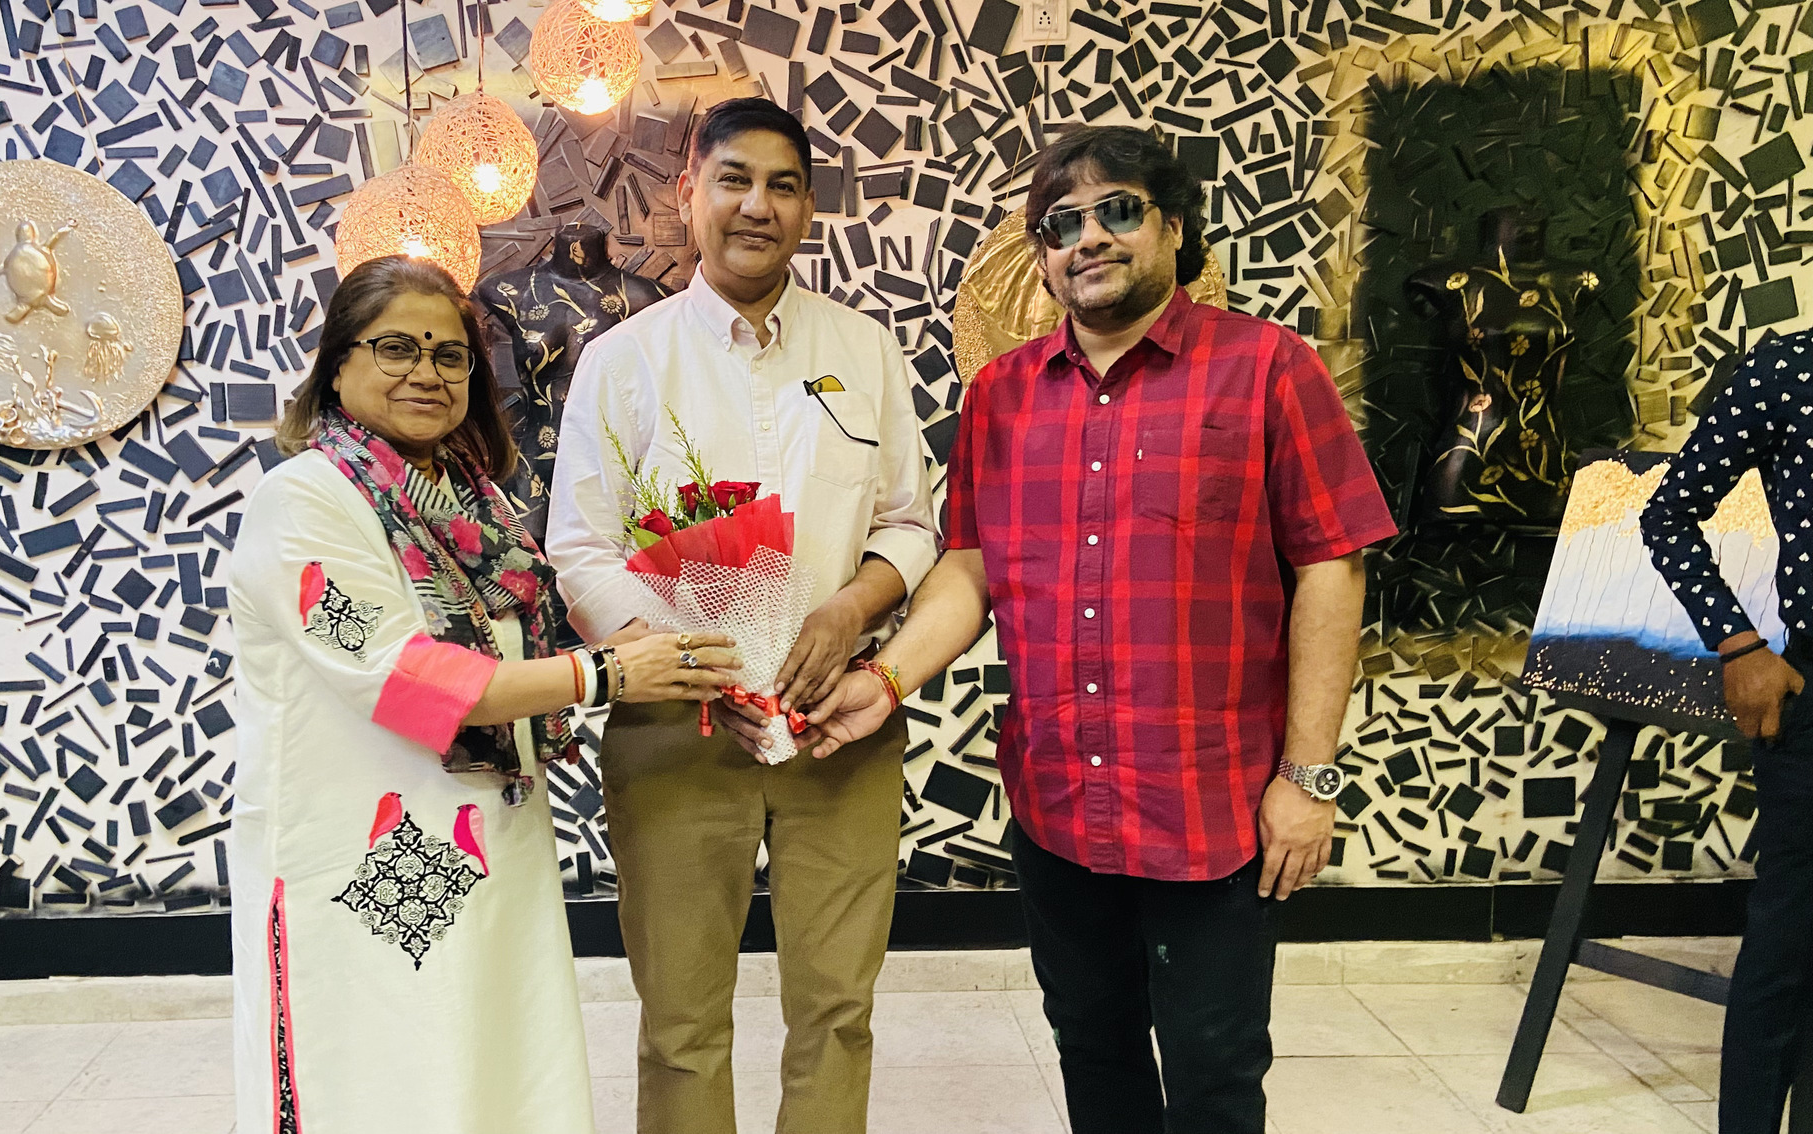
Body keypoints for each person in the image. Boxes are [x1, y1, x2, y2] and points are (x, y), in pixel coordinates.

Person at [804, 125, 1397, 1134]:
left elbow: (1331, 569)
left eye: (1118, 210)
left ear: (1175, 228)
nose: (1089, 238)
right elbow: (970, 569)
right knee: (1092, 1046)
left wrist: (1308, 778)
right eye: (1060, 223)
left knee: (1214, 1072)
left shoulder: (1266, 368)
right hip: (1059, 802)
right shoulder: (1001, 395)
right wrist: (886, 680)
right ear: (1041, 255)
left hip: (1213, 809)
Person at [228, 254, 740, 1134]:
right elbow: (401, 677)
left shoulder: (473, 502)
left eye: (450, 354)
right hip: (363, 859)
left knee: (492, 1073)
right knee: (385, 1080)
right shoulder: (304, 503)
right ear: (338, 366)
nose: (426, 372)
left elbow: (507, 647)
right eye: (396, 348)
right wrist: (604, 673)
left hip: (488, 839)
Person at [544, 98, 937, 1134]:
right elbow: (578, 547)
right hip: (676, 727)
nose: (757, 205)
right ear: (689, 195)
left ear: (808, 208)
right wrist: (675, 656)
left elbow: (911, 524)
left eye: (782, 186)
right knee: (681, 1022)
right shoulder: (622, 361)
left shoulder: (865, 350)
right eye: (734, 180)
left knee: (838, 1011)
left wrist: (853, 603)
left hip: (838, 721)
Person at [1641, 334, 1813, 1134]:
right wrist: (1738, 644)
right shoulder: (1790, 370)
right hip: (1811, 691)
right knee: (1787, 949)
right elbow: (1668, 514)